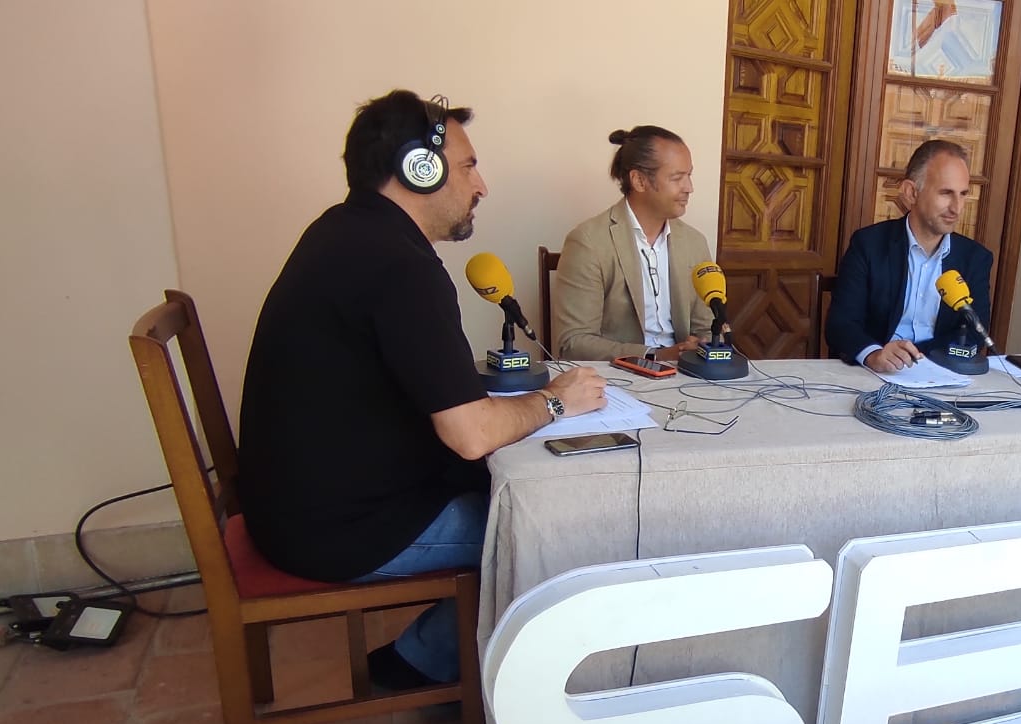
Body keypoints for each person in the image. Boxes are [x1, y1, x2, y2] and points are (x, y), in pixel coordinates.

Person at [239, 90, 606, 692]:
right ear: (419, 168)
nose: (481, 184)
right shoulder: (399, 267)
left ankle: (426, 657)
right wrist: (556, 399)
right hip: (337, 530)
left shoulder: (345, 231)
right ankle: (470, 684)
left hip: (296, 508)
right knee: (553, 529)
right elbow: (471, 434)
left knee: (522, 498)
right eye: (467, 166)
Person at [826, 140, 994, 370]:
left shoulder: (975, 258)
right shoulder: (869, 245)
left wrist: (920, 357)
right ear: (911, 192)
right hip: (874, 373)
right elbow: (841, 324)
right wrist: (873, 354)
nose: (957, 208)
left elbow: (975, 331)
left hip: (941, 373)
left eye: (963, 194)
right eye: (946, 193)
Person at [553, 126, 716, 361]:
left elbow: (706, 326)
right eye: (677, 178)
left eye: (689, 175)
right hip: (619, 378)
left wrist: (706, 342)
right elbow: (574, 343)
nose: (689, 187)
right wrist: (656, 356)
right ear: (639, 180)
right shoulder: (588, 242)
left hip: (686, 375)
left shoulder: (694, 242)